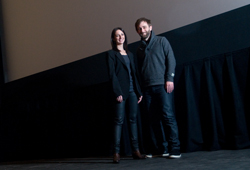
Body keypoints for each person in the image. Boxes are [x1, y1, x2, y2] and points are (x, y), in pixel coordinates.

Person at [134, 17, 181, 159]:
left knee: (168, 116)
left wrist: (169, 78)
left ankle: (175, 149)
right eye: (139, 29)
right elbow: (139, 70)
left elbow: (171, 60)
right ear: (137, 31)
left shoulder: (162, 41)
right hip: (147, 89)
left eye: (144, 27)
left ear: (150, 27)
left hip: (162, 85)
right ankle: (162, 148)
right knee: (153, 120)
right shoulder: (139, 49)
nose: (142, 30)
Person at [107, 27, 147, 163]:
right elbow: (112, 75)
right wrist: (117, 92)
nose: (120, 37)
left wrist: (138, 91)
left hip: (133, 91)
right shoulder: (111, 54)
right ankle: (116, 153)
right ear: (113, 38)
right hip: (121, 92)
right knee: (118, 121)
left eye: (122, 35)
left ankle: (136, 151)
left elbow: (134, 74)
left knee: (133, 120)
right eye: (117, 35)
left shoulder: (130, 54)